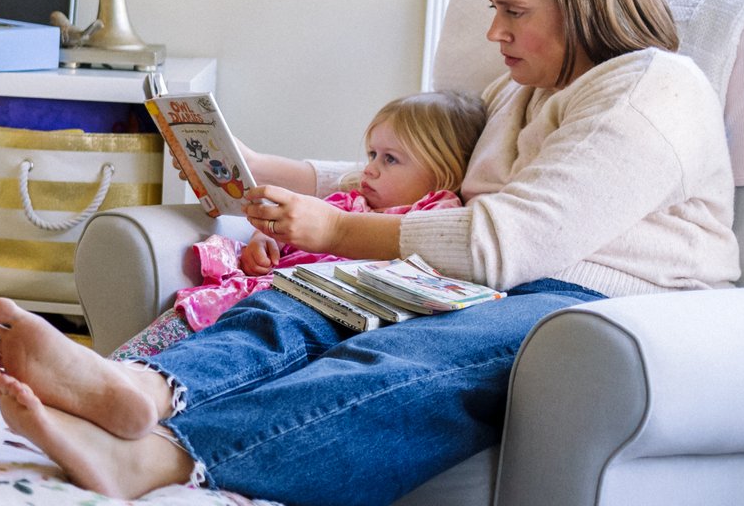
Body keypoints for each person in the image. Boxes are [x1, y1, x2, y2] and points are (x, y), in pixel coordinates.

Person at [0, 0, 739, 506]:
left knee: (412, 355)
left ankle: (159, 460)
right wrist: (256, 167)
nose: (494, 34)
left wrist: (337, 232)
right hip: (495, 288)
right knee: (312, 296)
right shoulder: (526, 91)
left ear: (582, 7)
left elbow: (509, 243)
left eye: (514, 13)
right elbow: (428, 178)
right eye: (493, 11)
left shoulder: (652, 89)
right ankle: (140, 387)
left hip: (604, 309)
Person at [111, 90, 486, 361]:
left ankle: (132, 381)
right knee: (184, 325)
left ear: (443, 172)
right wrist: (263, 239)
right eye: (372, 153)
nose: (369, 168)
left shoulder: (434, 216)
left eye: (390, 159)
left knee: (220, 344)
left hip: (318, 311)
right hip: (265, 290)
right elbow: (290, 225)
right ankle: (119, 370)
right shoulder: (350, 201)